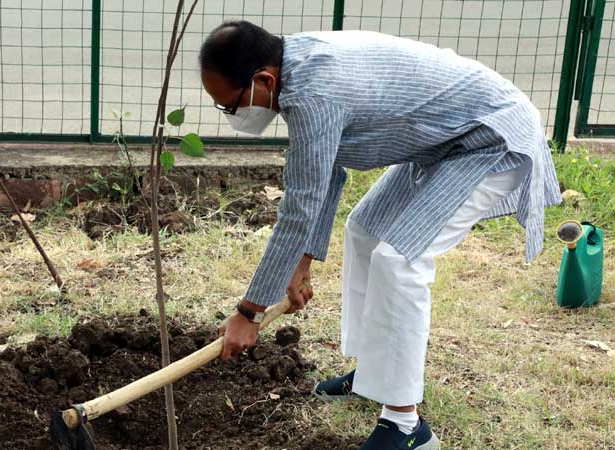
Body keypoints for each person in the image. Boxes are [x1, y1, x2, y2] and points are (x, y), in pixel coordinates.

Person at [199, 21, 561, 450]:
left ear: (264, 80)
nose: (233, 115)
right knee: (364, 230)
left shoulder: (314, 93)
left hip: (488, 137)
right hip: (443, 139)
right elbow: (325, 171)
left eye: (231, 105)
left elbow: (300, 207)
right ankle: (376, 373)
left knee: (400, 260)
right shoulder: (298, 68)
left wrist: (250, 313)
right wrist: (301, 262)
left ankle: (406, 426)